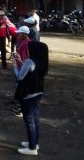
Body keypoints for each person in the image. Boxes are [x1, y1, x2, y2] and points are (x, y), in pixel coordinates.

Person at [13, 26, 49, 156]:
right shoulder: (40, 63)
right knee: (35, 118)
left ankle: (32, 148)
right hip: (38, 92)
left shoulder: (29, 61)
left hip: (28, 94)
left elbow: (19, 76)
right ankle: (34, 143)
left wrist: (15, 64)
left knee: (29, 120)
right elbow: (30, 71)